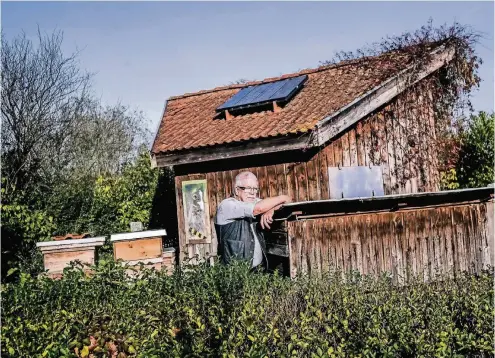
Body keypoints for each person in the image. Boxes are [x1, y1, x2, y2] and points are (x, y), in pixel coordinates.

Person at [214, 171, 291, 269]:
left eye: (255, 189)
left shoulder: (253, 201)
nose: (252, 192)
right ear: (237, 190)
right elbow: (258, 209)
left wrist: (270, 210)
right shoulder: (227, 205)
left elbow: (287, 201)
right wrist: (282, 197)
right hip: (235, 272)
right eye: (248, 188)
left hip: (258, 270)